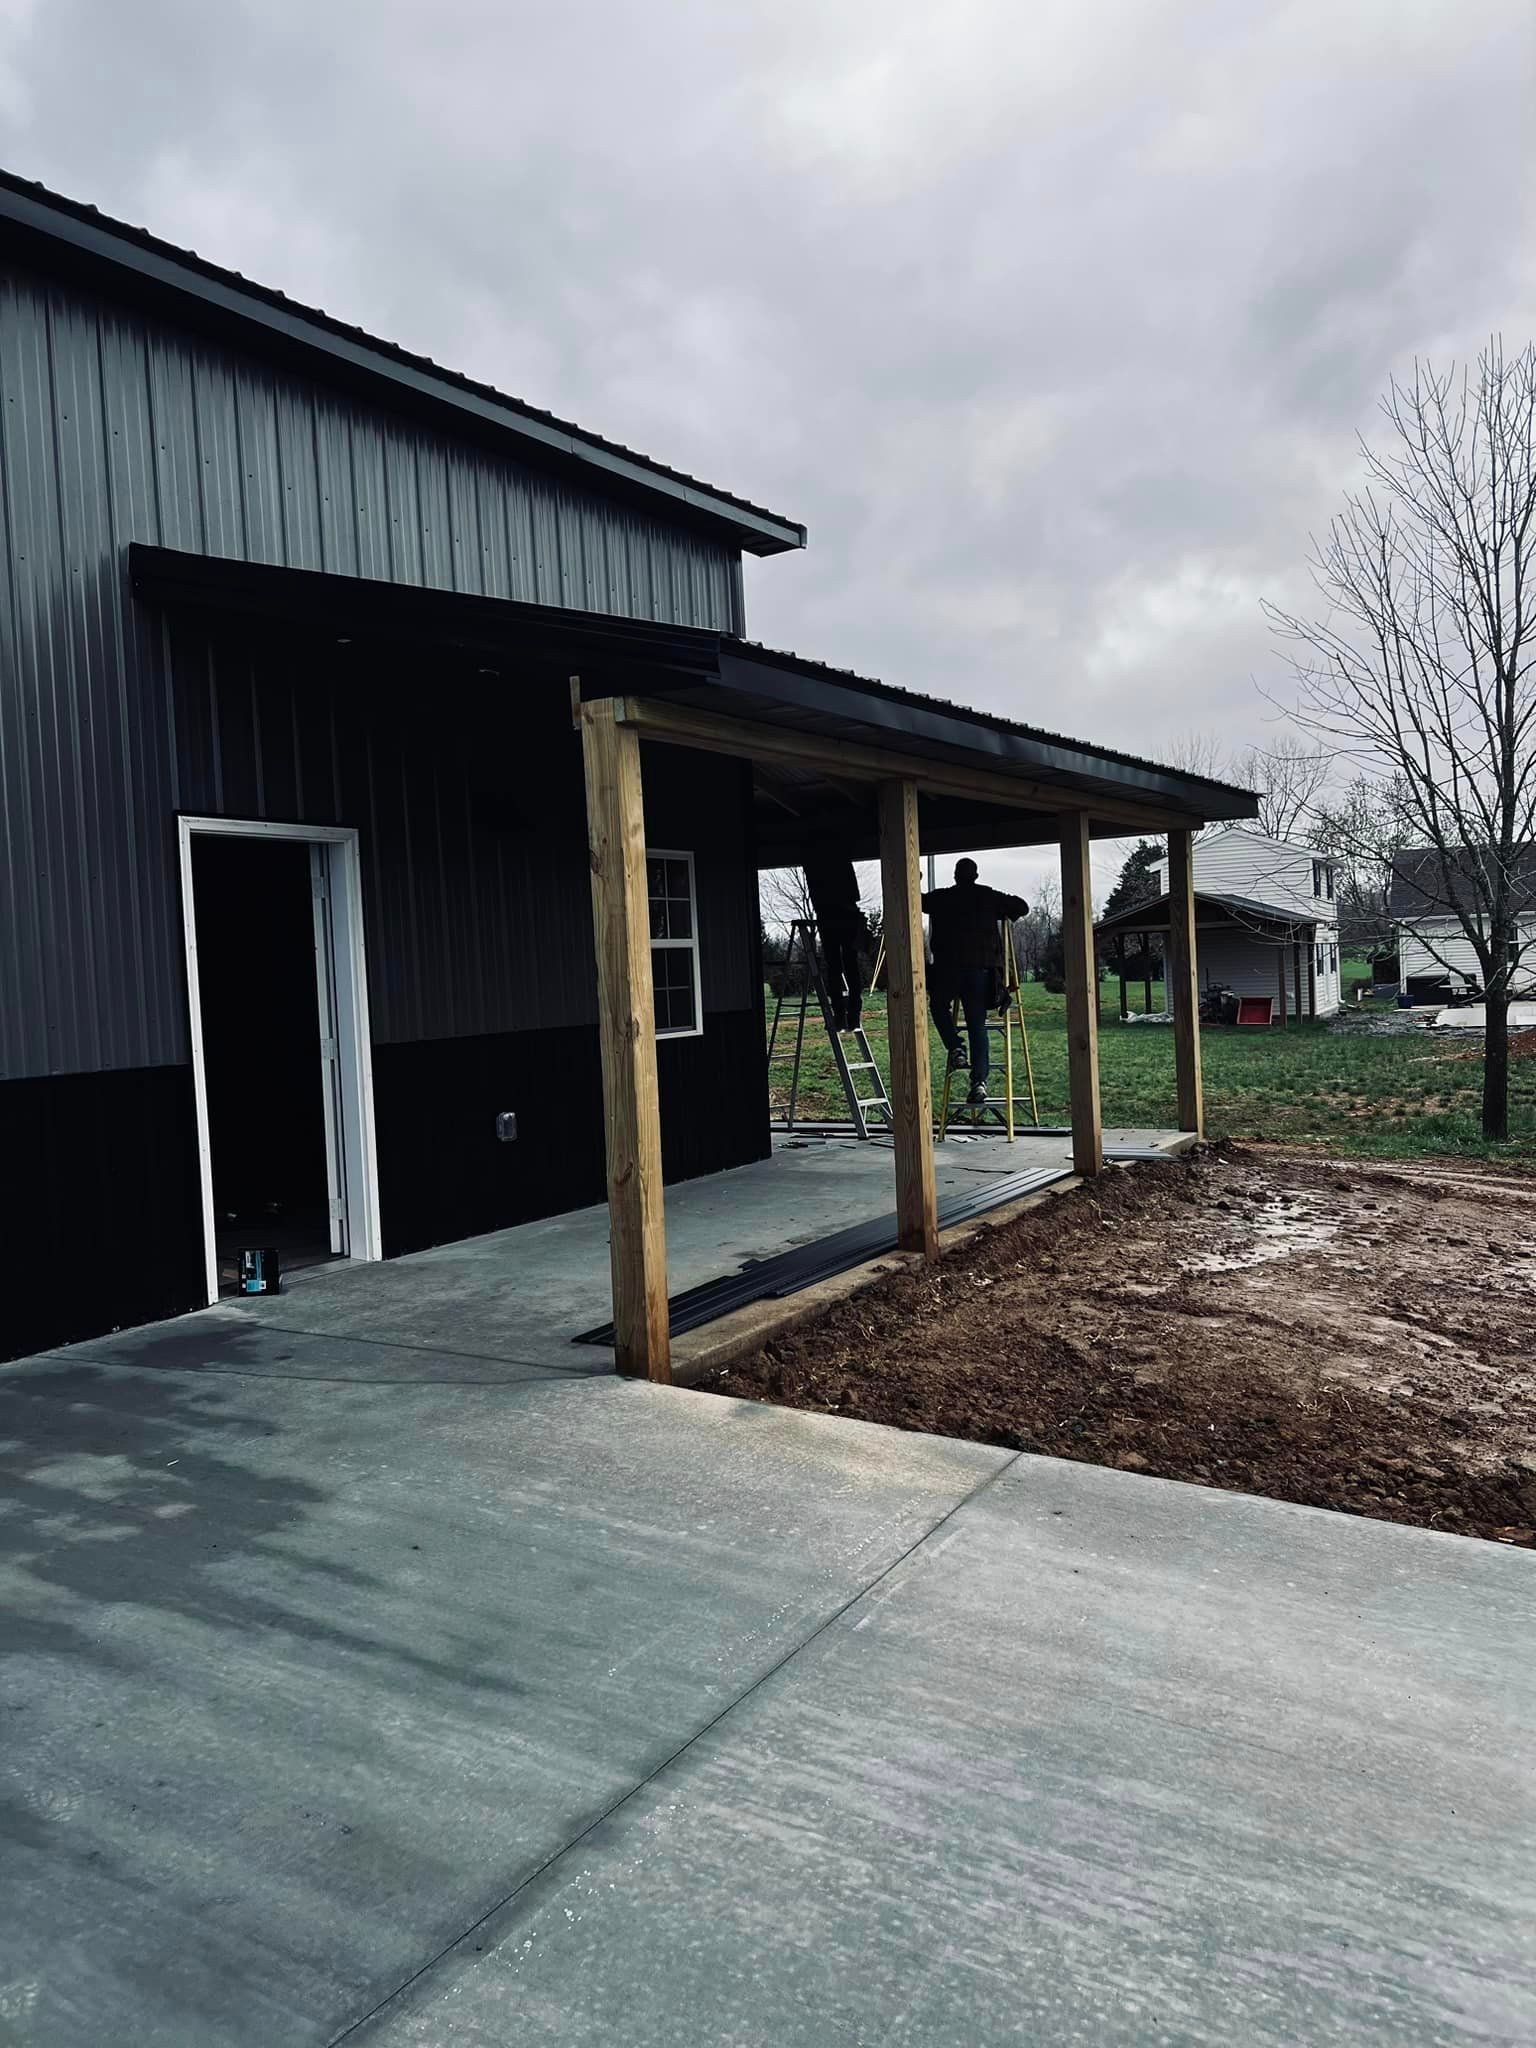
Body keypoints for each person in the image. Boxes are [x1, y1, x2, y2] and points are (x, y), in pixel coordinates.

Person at [921, 858, 1028, 1102]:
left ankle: (956, 1047)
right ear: (976, 875)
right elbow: (1021, 907)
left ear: (956, 875)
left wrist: (913, 879)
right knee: (977, 1026)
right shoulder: (987, 896)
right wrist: (1002, 905)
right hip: (979, 971)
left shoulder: (942, 898)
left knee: (938, 1006)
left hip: (947, 970)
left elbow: (915, 900)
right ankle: (979, 1081)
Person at [802, 855, 869, 1032]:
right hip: (845, 914)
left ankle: (841, 1016)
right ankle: (852, 1016)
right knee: (850, 965)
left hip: (828, 915)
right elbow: (854, 893)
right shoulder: (841, 860)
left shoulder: (816, 863)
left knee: (834, 967)